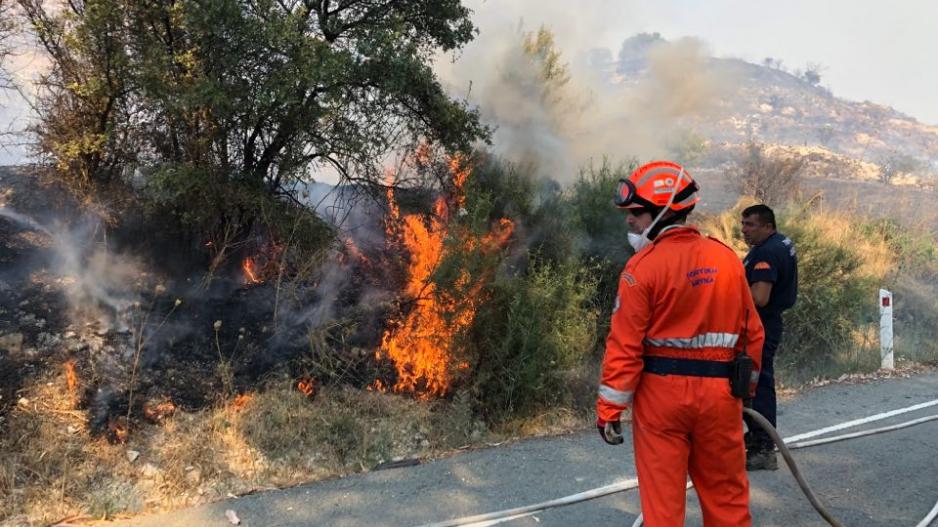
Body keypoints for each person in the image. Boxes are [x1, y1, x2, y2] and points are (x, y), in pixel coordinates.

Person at [597, 161, 765, 527]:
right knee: (728, 503)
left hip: (661, 399)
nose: (630, 221)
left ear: (663, 211)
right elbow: (753, 334)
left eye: (637, 212)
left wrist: (609, 410)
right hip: (722, 397)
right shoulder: (727, 260)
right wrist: (746, 390)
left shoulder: (641, 269)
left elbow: (624, 348)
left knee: (662, 508)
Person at [740, 204, 798, 471]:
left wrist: (727, 292)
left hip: (760, 326)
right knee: (755, 380)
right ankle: (756, 438)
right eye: (743, 224)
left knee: (756, 383)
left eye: (750, 224)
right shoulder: (780, 243)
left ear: (767, 225)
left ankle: (763, 448)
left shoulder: (766, 253)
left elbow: (759, 298)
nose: (744, 229)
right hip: (767, 324)